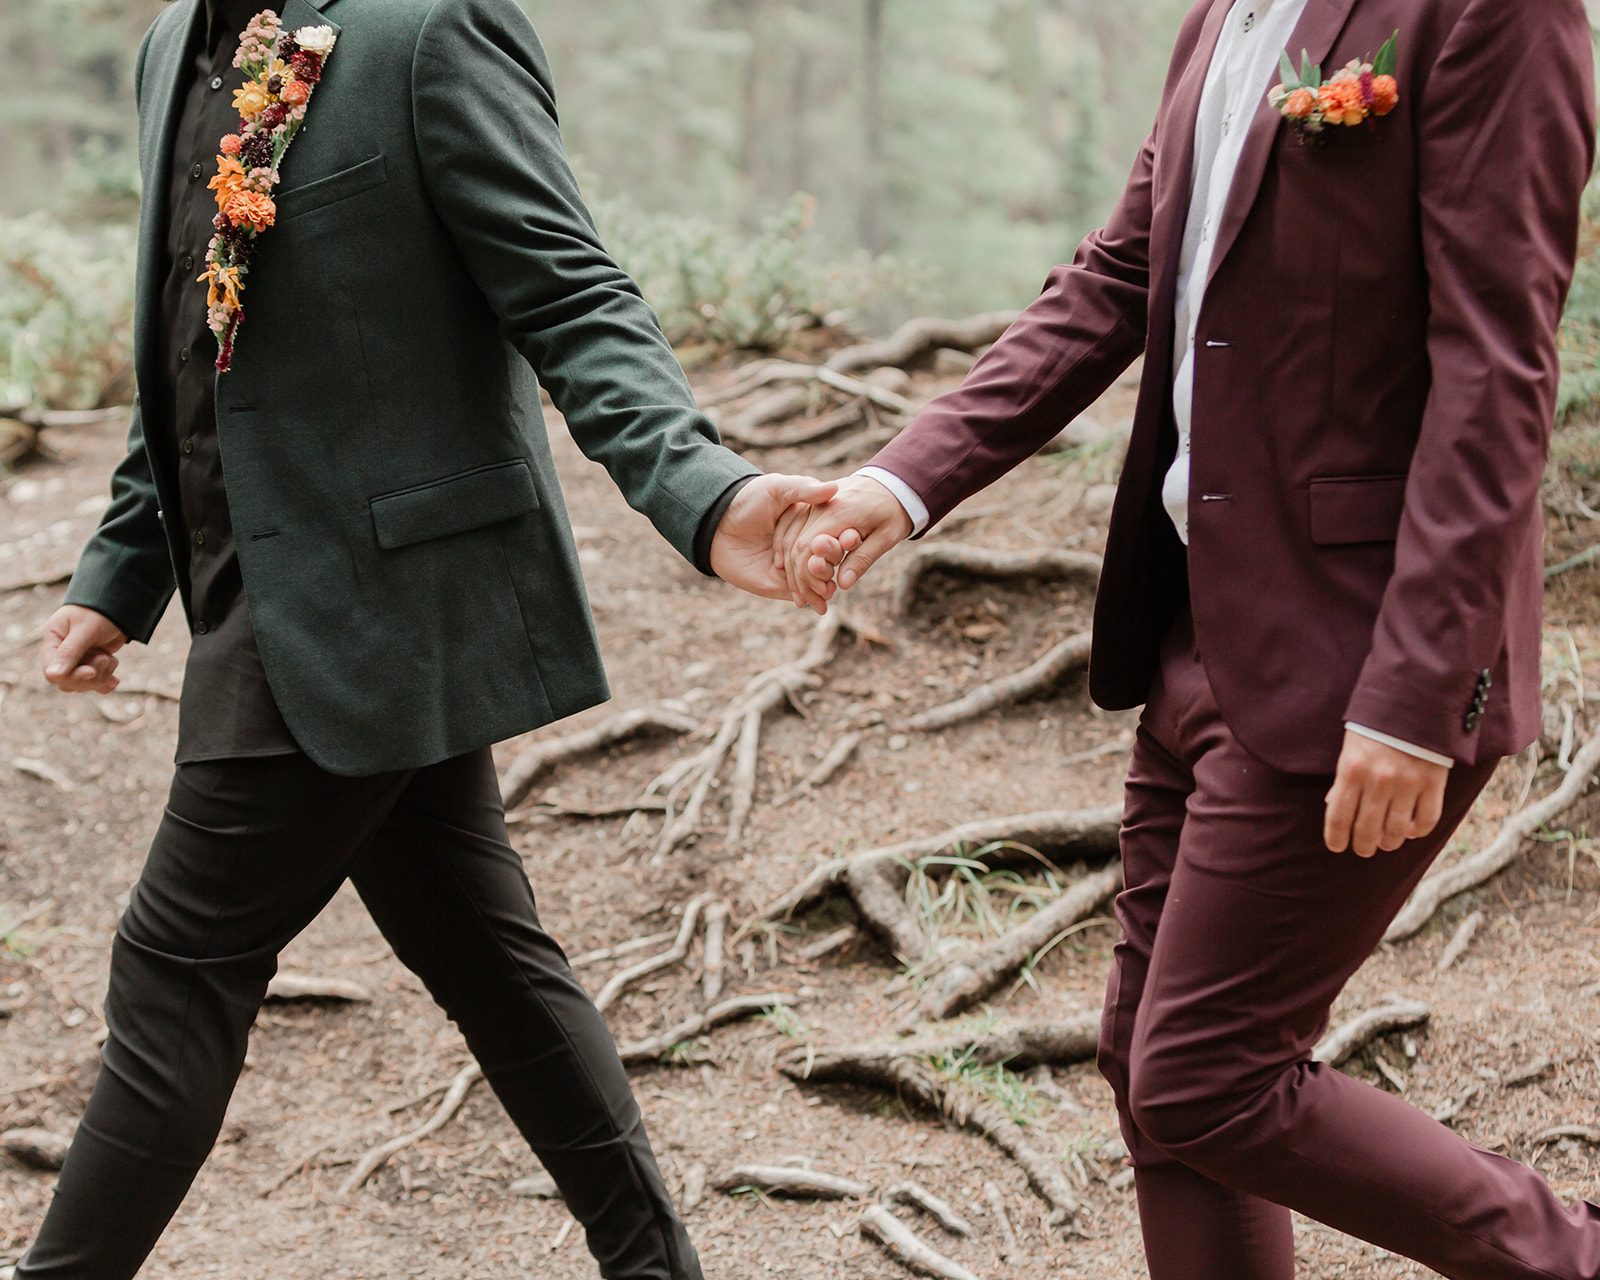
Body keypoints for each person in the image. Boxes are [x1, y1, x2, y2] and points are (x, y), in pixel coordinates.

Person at [781, 1, 1600, 1276]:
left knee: (1207, 1078)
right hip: (1196, 620)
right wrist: (903, 484)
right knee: (1149, 1070)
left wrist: (1415, 692)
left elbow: (1496, 363)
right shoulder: (1225, 11)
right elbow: (1121, 273)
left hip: (1358, 652)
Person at [21, 0, 831, 1276]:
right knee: (482, 946)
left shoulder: (428, 31)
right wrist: (120, 574)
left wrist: (702, 488)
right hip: (251, 591)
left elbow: (569, 287)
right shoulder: (167, 50)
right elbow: (194, 337)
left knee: (175, 958)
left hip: (389, 594)